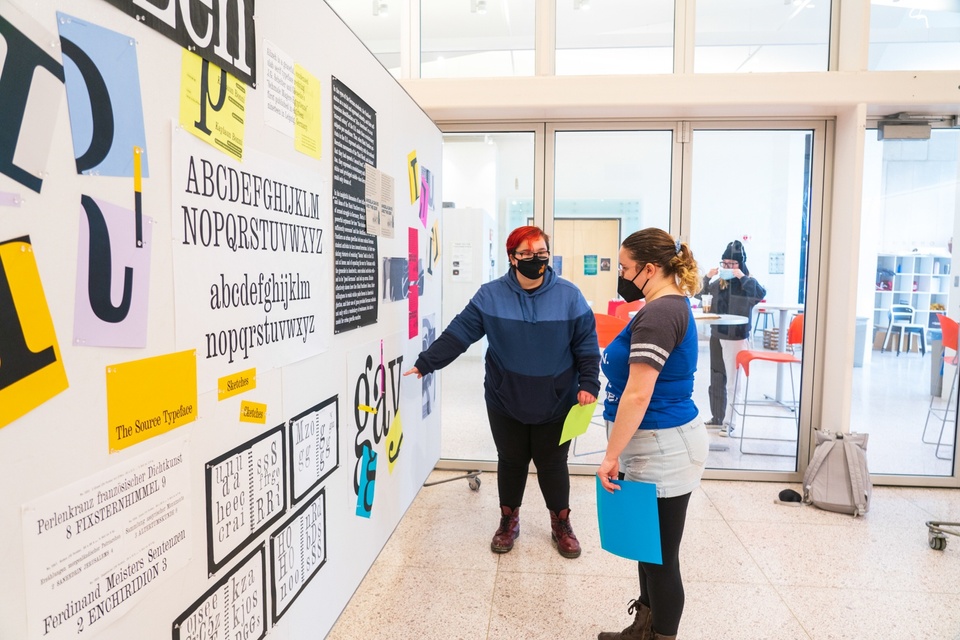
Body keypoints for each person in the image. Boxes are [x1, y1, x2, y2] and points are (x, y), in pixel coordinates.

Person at [404, 225, 600, 558]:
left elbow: (586, 344)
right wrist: (427, 363)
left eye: (541, 253)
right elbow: (459, 333)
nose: (535, 260)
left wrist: (589, 383)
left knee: (553, 464)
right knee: (511, 461)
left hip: (557, 399)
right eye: (526, 254)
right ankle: (508, 521)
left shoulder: (569, 296)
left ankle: (561, 524)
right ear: (512, 257)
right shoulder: (490, 295)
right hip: (505, 398)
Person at [597, 228, 708, 640]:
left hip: (662, 446)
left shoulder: (661, 313)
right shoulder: (661, 307)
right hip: (654, 443)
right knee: (648, 547)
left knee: (660, 558)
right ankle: (643, 629)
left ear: (649, 268)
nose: (620, 275)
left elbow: (640, 392)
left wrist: (610, 455)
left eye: (625, 268)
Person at [697, 240, 766, 436]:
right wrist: (707, 277)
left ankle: (731, 421)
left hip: (736, 336)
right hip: (717, 334)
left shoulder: (748, 283)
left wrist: (742, 277)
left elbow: (760, 293)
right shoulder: (720, 283)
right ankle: (717, 417)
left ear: (740, 265)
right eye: (724, 264)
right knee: (717, 377)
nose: (727, 268)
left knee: (733, 381)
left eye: (731, 264)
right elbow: (700, 295)